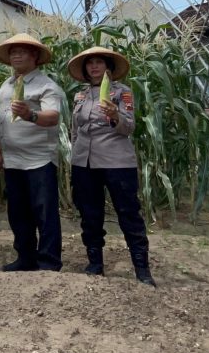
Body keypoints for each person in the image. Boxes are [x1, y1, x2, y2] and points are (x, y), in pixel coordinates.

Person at [67, 46, 156, 286]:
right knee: (90, 215)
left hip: (116, 161)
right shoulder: (80, 96)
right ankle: (95, 264)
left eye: (99, 62)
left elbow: (129, 127)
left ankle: (142, 269)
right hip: (84, 162)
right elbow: (75, 130)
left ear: (109, 67)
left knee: (128, 214)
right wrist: (74, 157)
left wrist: (115, 114)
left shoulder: (122, 92)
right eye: (90, 63)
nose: (94, 66)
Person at [0, 33, 64, 272]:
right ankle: (25, 258)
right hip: (12, 160)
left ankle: (49, 262)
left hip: (39, 160)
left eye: (22, 51)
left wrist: (29, 114)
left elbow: (53, 117)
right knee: (18, 213)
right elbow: (2, 120)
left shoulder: (46, 86)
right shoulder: (7, 86)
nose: (17, 55)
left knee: (44, 213)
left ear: (35, 56)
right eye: (13, 52)